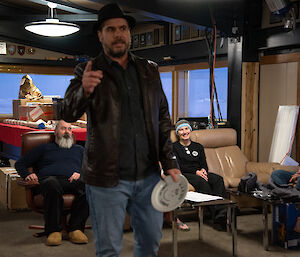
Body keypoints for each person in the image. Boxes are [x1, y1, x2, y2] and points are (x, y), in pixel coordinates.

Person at [57, 3, 180, 257]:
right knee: (109, 249)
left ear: (129, 33)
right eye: (110, 29)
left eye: (123, 28)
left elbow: (162, 118)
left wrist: (169, 161)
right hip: (105, 179)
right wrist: (84, 90)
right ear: (100, 35)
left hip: (148, 177)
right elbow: (66, 113)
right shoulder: (87, 70)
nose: (118, 34)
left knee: (150, 244)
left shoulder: (149, 70)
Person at [15, 120, 89, 246]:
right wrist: (28, 175)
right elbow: (20, 163)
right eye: (63, 128)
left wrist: (81, 173)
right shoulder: (44, 148)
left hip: (72, 181)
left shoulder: (79, 149)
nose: (67, 132)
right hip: (49, 180)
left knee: (91, 187)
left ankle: (75, 229)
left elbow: (92, 168)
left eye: (69, 129)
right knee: (52, 184)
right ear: (55, 132)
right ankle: (53, 231)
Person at [172, 119, 227, 231]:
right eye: (181, 130)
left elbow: (203, 164)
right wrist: (196, 172)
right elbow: (179, 166)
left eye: (186, 128)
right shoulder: (174, 147)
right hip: (186, 174)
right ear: (178, 133)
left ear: (190, 130)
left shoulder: (198, 146)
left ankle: (222, 212)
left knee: (218, 179)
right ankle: (218, 215)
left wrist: (203, 171)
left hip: (199, 173)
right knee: (202, 182)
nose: (184, 132)